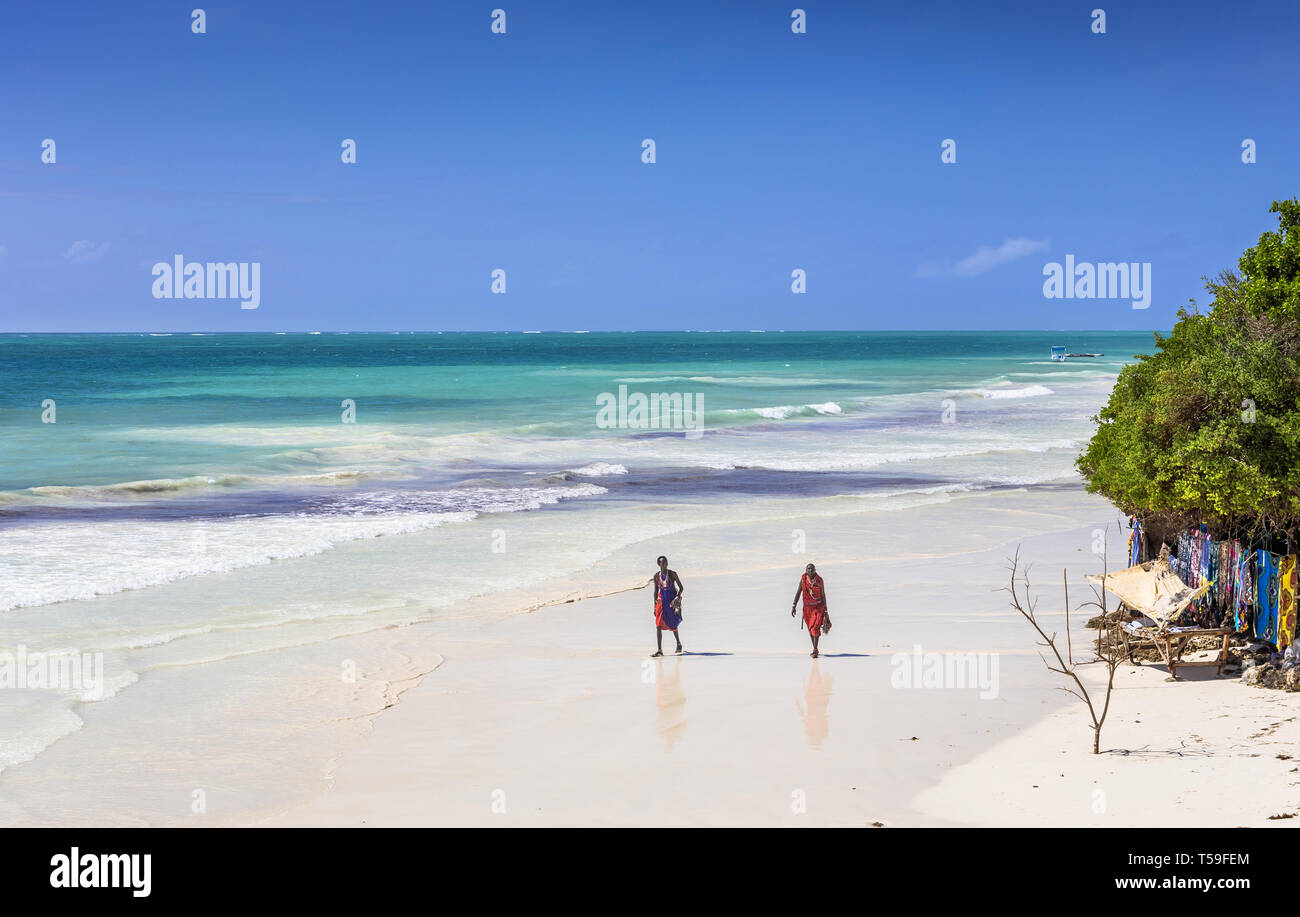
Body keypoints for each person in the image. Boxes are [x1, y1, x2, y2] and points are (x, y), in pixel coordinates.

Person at [792, 563, 831, 657]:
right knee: (810, 629)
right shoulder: (803, 579)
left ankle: (815, 650)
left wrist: (825, 610)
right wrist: (794, 605)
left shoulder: (820, 580)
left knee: (815, 628)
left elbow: (823, 595)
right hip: (806, 609)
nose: (810, 571)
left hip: (818, 607)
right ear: (806, 570)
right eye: (808, 569)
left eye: (811, 569)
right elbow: (798, 592)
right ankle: (815, 648)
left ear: (815, 570)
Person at [650, 555, 684, 656]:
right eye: (662, 562)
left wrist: (677, 598)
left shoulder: (673, 574)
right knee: (658, 625)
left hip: (671, 602)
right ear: (659, 564)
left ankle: (678, 643)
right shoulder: (656, 576)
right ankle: (660, 650)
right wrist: (654, 605)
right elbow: (655, 592)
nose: (664, 564)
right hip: (661, 601)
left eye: (665, 562)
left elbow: (681, 588)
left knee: (673, 624)